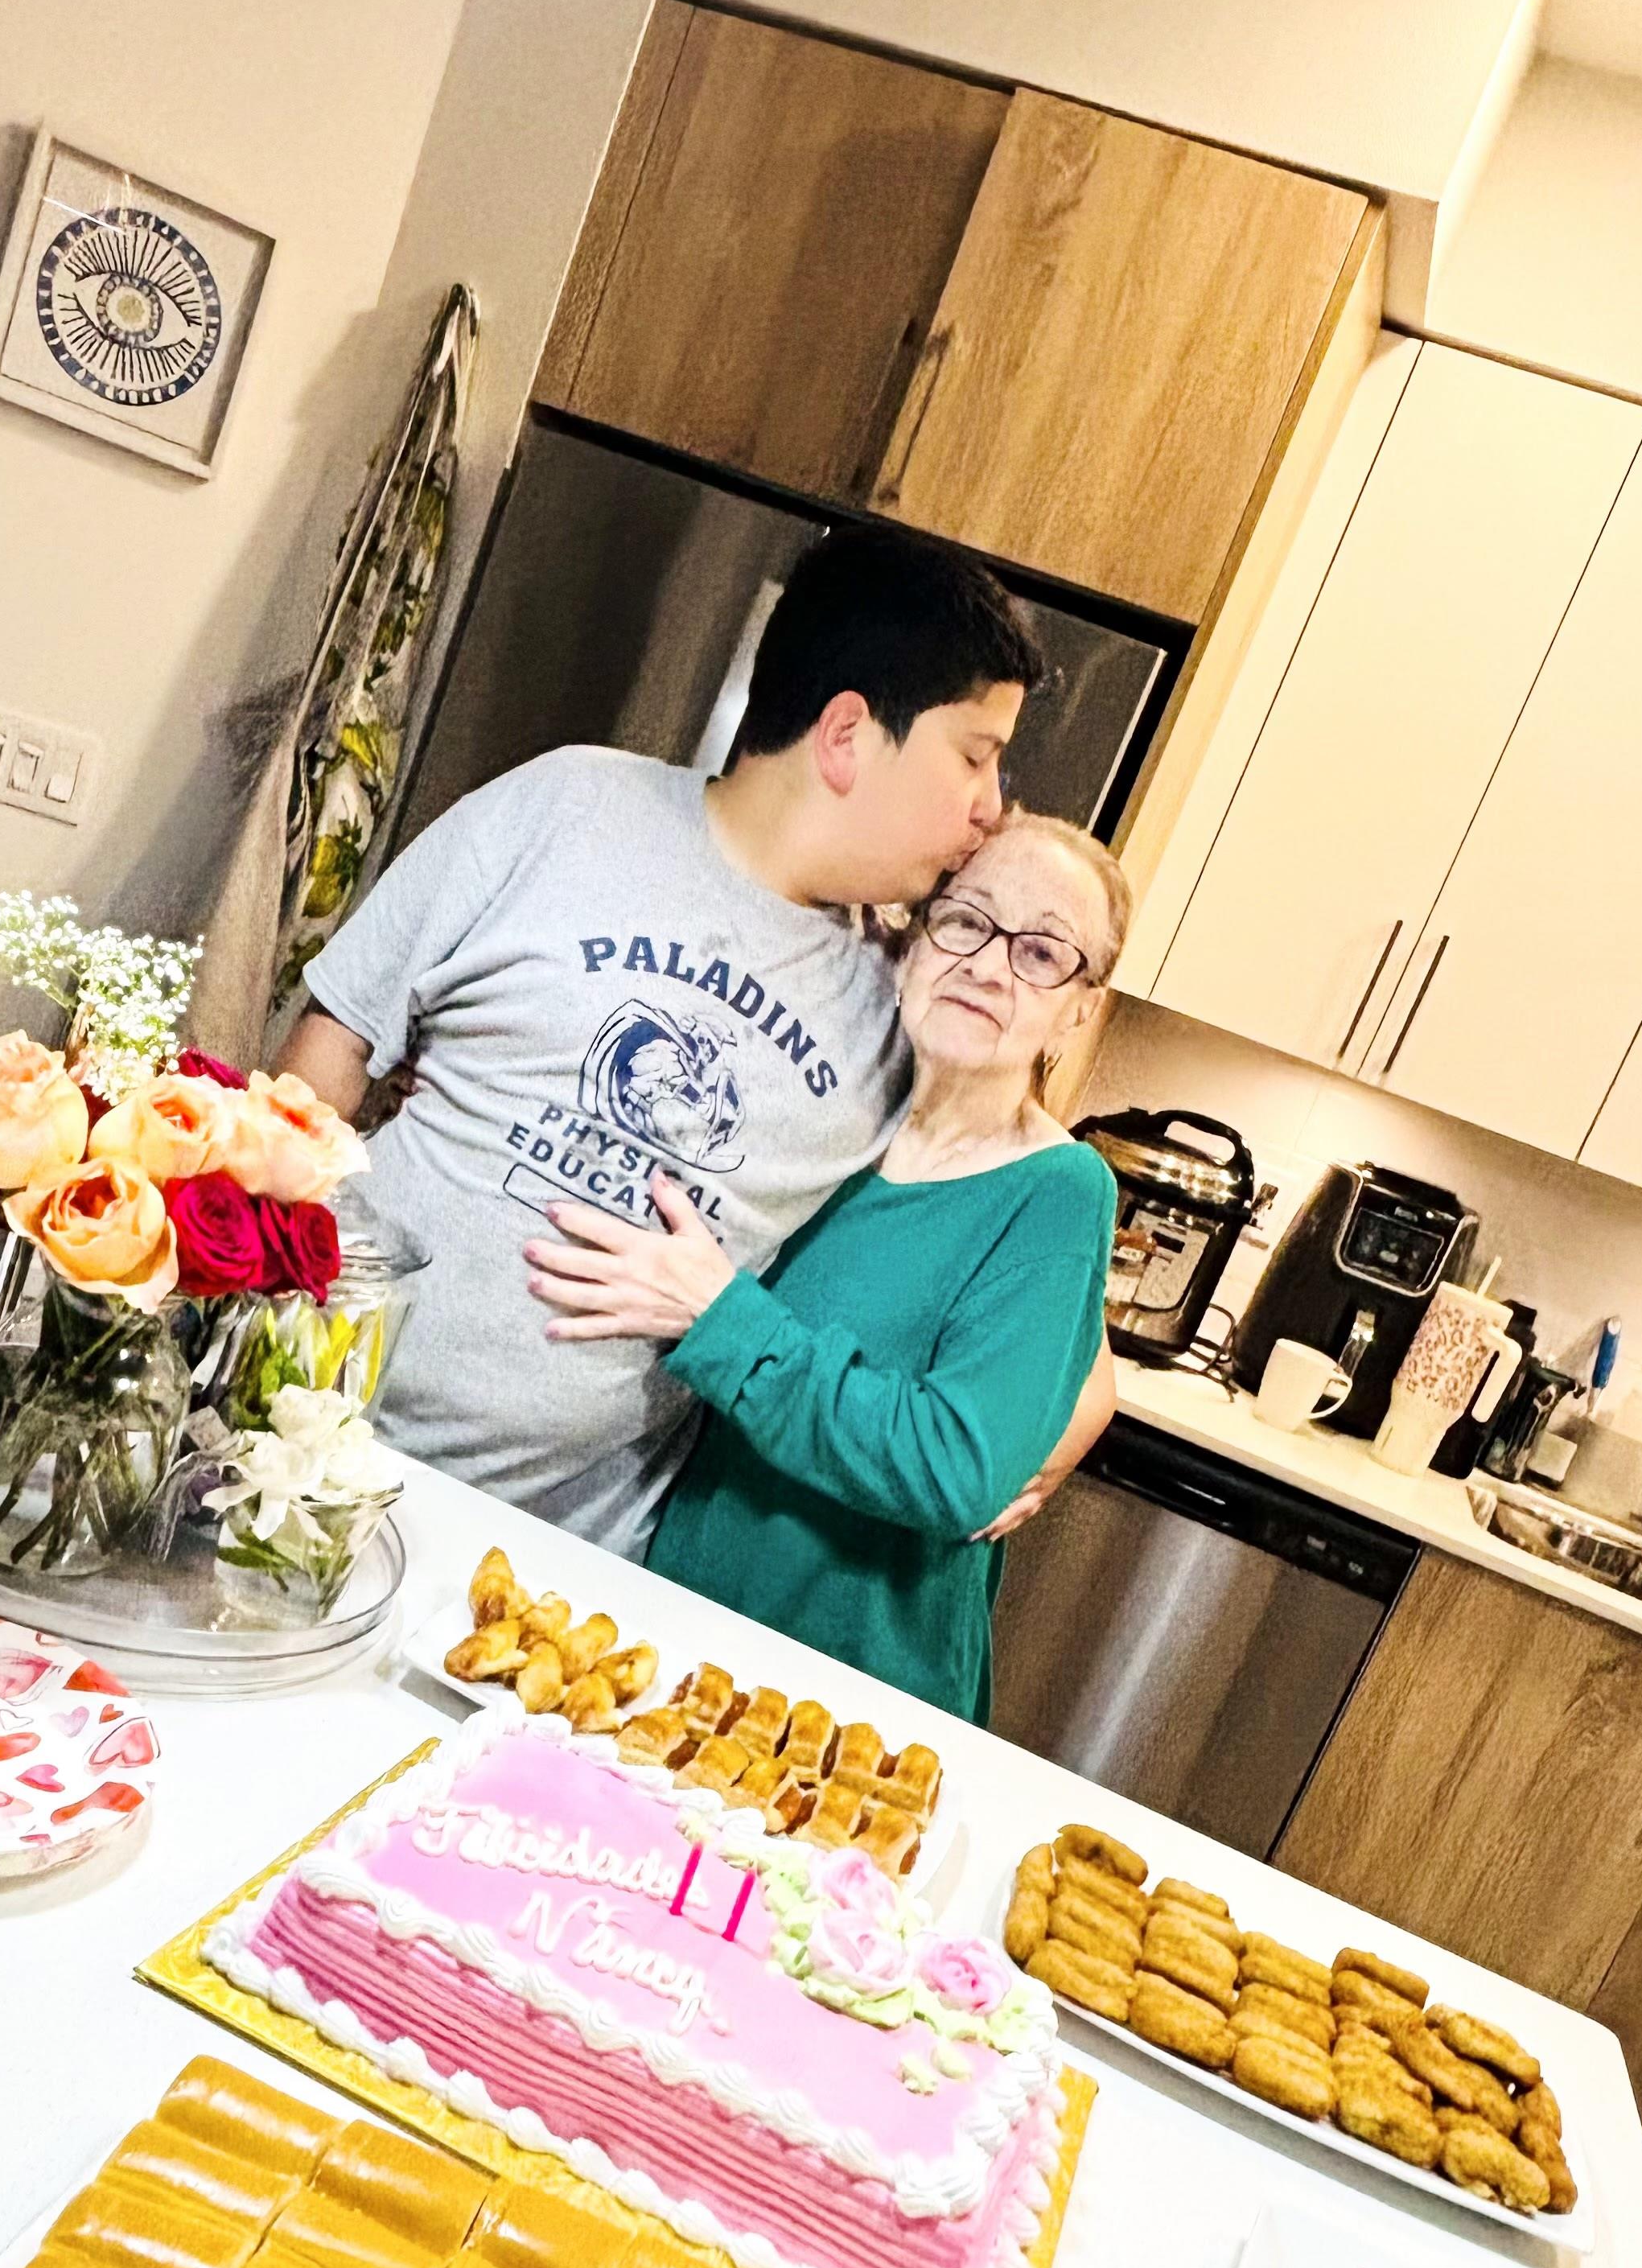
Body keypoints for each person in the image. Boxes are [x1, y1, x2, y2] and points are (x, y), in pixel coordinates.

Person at [277, 525, 1098, 1552]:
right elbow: (332, 1049)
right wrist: (256, 1318)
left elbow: (1063, 1319)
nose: (993, 807)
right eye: (975, 757)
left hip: (545, 1555)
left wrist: (1036, 1457)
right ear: (846, 737)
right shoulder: (568, 804)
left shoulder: (905, 997)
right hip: (289, 1447)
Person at [525, 812, 1126, 1722]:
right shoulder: (817, 1120)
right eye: (967, 919)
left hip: (846, 1706)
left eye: (1043, 952)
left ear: (1080, 1006)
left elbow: (956, 1468)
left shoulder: (1060, 1192)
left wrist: (723, 1323)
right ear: (914, 938)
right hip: (663, 1639)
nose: (991, 964)